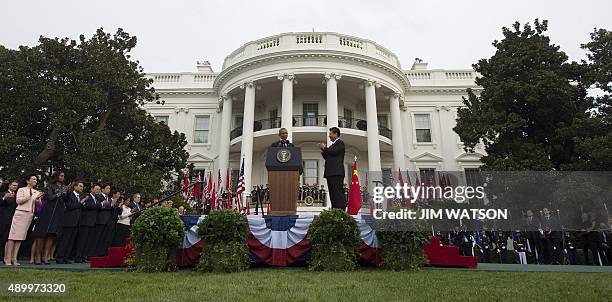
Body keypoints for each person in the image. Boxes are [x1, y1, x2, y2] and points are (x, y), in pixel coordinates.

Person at [4, 174, 44, 266]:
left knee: (20, 238)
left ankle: (14, 259)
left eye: (36, 179)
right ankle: (7, 259)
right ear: (27, 180)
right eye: (33, 179)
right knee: (13, 236)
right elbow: (19, 201)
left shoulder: (36, 192)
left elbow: (39, 207)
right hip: (20, 213)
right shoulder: (21, 189)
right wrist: (29, 196)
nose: (35, 181)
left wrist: (38, 200)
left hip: (29, 214)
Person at [30, 171, 67, 264]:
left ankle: (45, 256)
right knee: (41, 235)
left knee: (51, 235)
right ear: (56, 176)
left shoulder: (63, 187)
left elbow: (65, 199)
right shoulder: (50, 186)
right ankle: (37, 256)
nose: (63, 177)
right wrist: (59, 193)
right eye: (61, 176)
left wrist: (65, 192)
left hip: (58, 213)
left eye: (63, 176)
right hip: (47, 212)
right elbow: (50, 197)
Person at [56, 181, 86, 264]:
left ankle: (66, 257)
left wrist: (82, 204)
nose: (81, 188)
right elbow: (69, 206)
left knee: (71, 241)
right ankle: (60, 257)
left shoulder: (79, 196)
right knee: (65, 240)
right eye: (80, 186)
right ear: (75, 187)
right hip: (68, 221)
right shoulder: (70, 195)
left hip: (77, 222)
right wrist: (80, 203)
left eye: (82, 186)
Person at [318, 127, 345, 210]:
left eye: (330, 134)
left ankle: (340, 210)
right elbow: (328, 157)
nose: (329, 136)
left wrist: (324, 148)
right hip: (330, 173)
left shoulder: (340, 143)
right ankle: (335, 210)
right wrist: (324, 150)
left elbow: (333, 152)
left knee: (337, 193)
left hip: (336, 172)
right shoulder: (332, 145)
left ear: (336, 134)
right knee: (332, 193)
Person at [75, 184, 100, 263]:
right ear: (92, 189)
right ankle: (78, 256)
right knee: (82, 240)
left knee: (88, 240)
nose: (98, 191)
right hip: (85, 222)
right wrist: (101, 204)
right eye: (96, 189)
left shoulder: (96, 198)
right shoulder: (87, 197)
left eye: (99, 189)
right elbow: (89, 206)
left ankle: (83, 256)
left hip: (92, 222)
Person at [0, 180, 18, 258]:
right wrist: (4, 197)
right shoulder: (2, 194)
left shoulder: (18, 195)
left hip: (13, 219)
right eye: (13, 185)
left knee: (7, 238)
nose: (15, 187)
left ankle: (5, 255)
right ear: (9, 185)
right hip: (3, 218)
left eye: (16, 186)